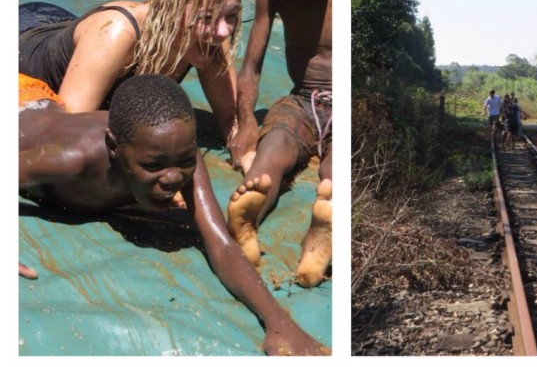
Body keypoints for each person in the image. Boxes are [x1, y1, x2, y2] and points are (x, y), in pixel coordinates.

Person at [18, 74, 326, 355]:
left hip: (46, 105)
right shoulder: (73, 161)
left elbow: (220, 242)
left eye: (185, 160)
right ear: (113, 147)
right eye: (153, 166)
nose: (172, 177)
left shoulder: (177, 154)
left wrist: (279, 324)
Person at [19, 0, 243, 144]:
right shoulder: (116, 33)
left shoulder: (212, 37)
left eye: (231, 16)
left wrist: (247, 157)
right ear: (169, 9)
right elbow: (66, 133)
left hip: (62, 24)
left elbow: (231, 119)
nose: (223, 31)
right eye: (205, 18)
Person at [227, 0, 332, 288]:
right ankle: (247, 217)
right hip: (303, 99)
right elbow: (251, 65)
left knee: (334, 171)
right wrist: (245, 124)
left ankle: (320, 234)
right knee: (270, 152)